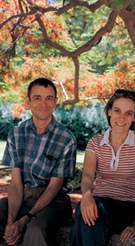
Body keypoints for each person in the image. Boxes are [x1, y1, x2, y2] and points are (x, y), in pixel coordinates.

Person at [0, 78, 77, 246]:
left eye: (49, 98)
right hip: (23, 195)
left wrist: (25, 219)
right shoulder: (16, 133)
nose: (44, 103)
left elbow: (54, 187)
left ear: (55, 102)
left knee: (35, 229)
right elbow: (15, 181)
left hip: (53, 200)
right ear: (28, 102)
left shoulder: (66, 139)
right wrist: (11, 220)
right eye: (37, 98)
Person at [71, 89, 135, 245]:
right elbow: (87, 176)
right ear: (109, 111)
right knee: (87, 210)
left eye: (129, 113)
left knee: (85, 215)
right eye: (117, 110)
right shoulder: (95, 142)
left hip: (128, 207)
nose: (122, 117)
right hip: (100, 203)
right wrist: (87, 196)